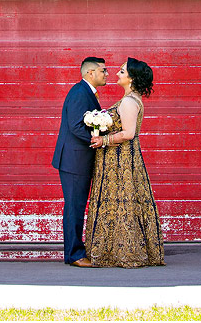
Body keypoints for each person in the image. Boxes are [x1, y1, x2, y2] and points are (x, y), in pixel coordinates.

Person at [84, 57, 165, 267]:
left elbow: (128, 133)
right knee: (121, 203)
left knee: (123, 203)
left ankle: (126, 252)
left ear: (131, 78)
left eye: (122, 71)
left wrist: (104, 139)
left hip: (121, 158)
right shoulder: (130, 98)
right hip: (116, 158)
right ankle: (114, 251)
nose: (117, 74)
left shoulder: (129, 102)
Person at [52, 56, 108, 266]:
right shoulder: (79, 93)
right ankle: (75, 254)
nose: (106, 74)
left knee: (76, 205)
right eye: (103, 70)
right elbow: (76, 126)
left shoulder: (86, 92)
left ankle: (74, 252)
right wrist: (97, 140)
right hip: (73, 160)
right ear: (90, 73)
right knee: (74, 206)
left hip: (78, 160)